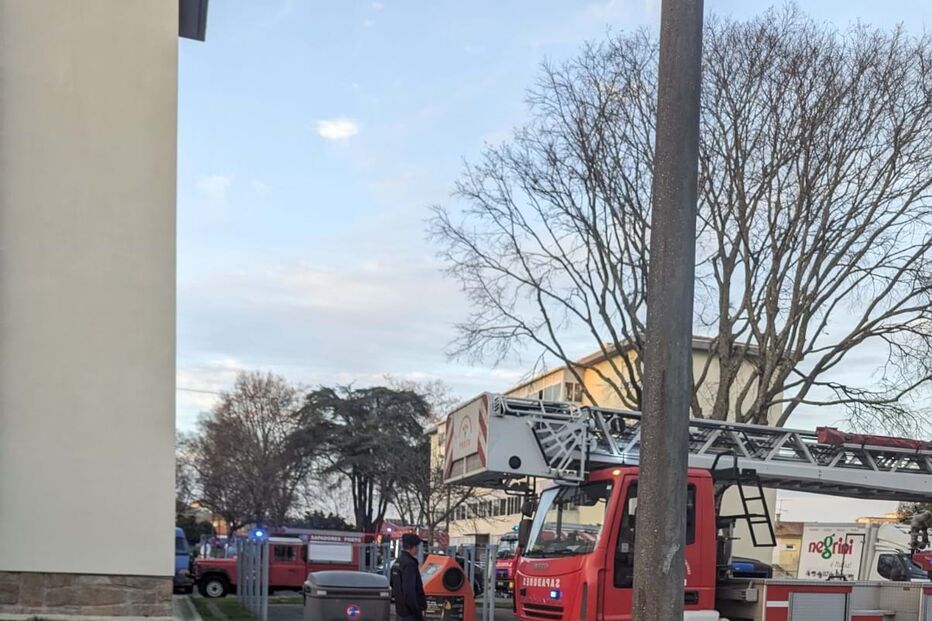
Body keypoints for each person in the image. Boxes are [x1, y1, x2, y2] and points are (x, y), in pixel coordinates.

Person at [391, 533, 427, 621]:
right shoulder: (410, 564)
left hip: (400, 612)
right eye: (417, 546)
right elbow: (409, 591)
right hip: (410, 614)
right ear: (412, 547)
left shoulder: (398, 562)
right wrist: (417, 612)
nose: (418, 549)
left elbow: (392, 583)